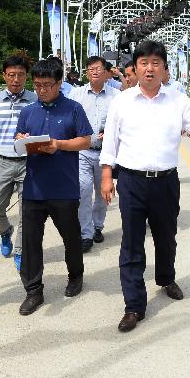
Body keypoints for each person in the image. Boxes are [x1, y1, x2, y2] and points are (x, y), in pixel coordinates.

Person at [100, 40, 190, 333]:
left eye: (156, 63)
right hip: (130, 181)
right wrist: (107, 175)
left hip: (165, 182)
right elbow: (110, 142)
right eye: (144, 63)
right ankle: (134, 305)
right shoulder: (122, 101)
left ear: (164, 68)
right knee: (131, 243)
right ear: (135, 68)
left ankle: (166, 278)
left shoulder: (177, 100)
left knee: (166, 237)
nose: (150, 68)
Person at [16, 58, 93, 315]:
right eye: (37, 85)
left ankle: (75, 275)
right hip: (34, 188)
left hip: (64, 186)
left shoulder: (73, 109)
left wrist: (58, 145)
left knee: (70, 237)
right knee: (30, 242)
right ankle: (33, 290)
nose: (42, 90)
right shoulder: (27, 112)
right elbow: (19, 138)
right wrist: (22, 140)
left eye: (47, 85)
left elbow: (85, 140)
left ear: (60, 83)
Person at [0, 55, 36, 272]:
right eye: (12, 75)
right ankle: (5, 231)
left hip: (29, 163)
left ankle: (20, 251)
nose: (16, 79)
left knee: (27, 211)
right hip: (0, 161)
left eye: (21, 75)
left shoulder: (35, 100)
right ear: (4, 75)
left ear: (27, 77)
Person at [68, 56, 120, 252]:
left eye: (98, 68)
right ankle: (85, 233)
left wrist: (111, 133)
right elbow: (68, 118)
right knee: (83, 191)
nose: (94, 72)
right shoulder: (76, 94)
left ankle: (98, 226)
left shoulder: (116, 96)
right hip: (82, 151)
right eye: (90, 69)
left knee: (102, 193)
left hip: (105, 153)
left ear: (106, 72)